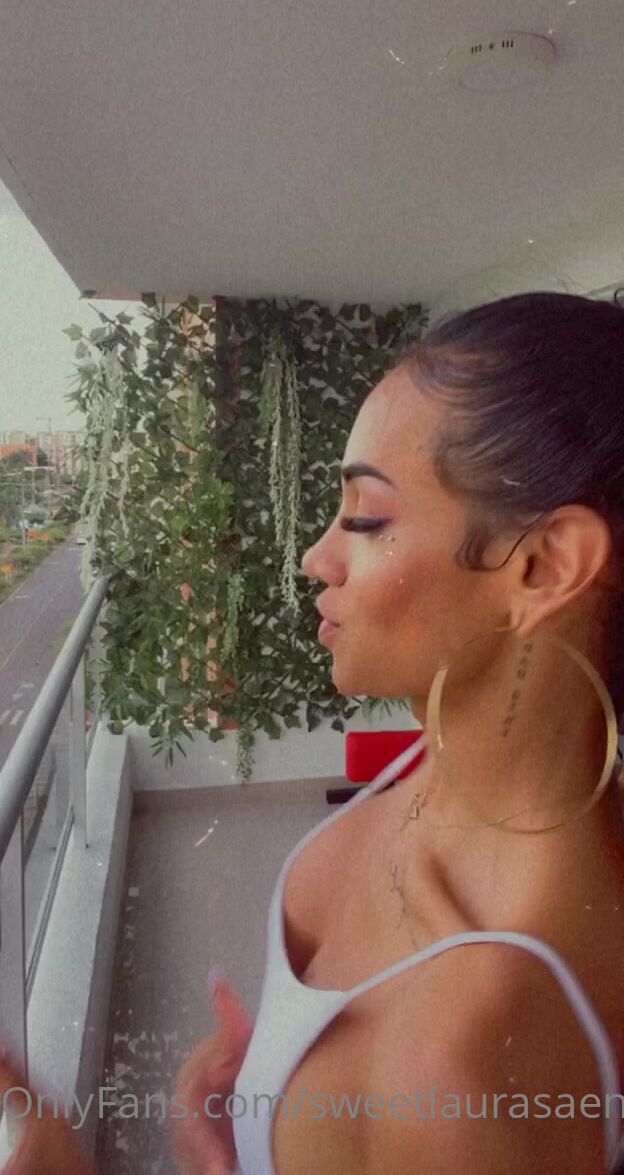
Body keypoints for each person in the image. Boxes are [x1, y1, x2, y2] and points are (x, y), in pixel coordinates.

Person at [3, 290, 624, 1173]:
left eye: (366, 517)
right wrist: (263, 1110)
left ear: (543, 566)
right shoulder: (445, 772)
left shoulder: (466, 1058)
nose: (315, 557)